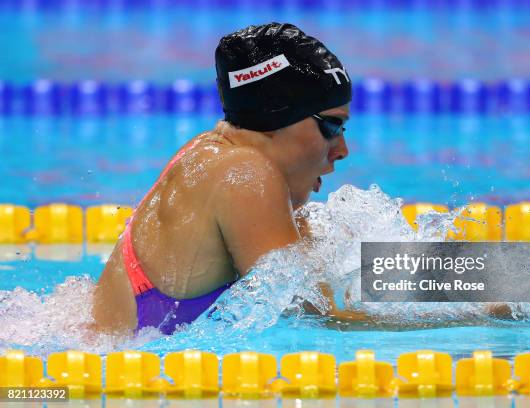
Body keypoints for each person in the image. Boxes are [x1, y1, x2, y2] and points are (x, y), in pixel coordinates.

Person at [92, 22, 360, 335]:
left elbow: (327, 281)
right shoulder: (244, 174)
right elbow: (315, 318)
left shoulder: (211, 152)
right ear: (276, 116)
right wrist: (429, 307)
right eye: (330, 127)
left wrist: (426, 271)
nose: (342, 150)